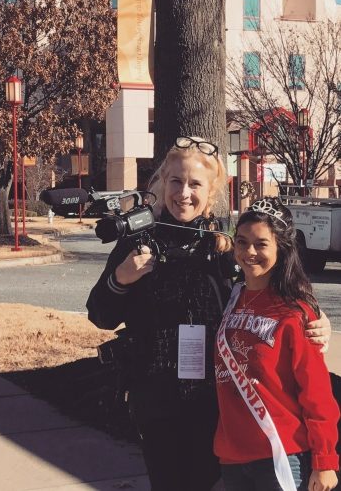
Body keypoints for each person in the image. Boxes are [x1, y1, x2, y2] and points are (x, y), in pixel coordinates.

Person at [86, 136, 331, 491]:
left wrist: (317, 318)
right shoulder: (137, 243)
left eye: (195, 184)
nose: (183, 193)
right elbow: (100, 315)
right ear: (162, 182)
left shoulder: (225, 246)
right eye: (176, 181)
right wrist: (121, 277)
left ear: (211, 190)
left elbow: (279, 289)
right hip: (156, 401)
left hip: (219, 404)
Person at [214, 197, 339, 491]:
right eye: (242, 242)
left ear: (281, 249)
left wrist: (325, 461)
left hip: (281, 453)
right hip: (231, 455)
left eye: (261, 244)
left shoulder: (295, 311)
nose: (249, 252)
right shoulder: (231, 299)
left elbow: (317, 393)